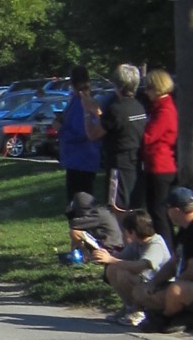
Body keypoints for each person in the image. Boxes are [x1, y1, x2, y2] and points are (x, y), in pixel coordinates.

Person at [81, 63, 147, 215]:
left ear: (117, 85)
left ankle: (122, 237)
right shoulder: (138, 106)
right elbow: (116, 124)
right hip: (136, 163)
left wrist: (86, 111)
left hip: (119, 165)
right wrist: (98, 113)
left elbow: (93, 134)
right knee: (134, 209)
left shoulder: (116, 109)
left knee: (117, 210)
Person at [94, 209, 170, 326]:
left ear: (133, 232)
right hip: (144, 282)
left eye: (126, 231)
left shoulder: (156, 244)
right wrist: (104, 255)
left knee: (123, 274)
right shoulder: (137, 243)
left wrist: (112, 259)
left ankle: (140, 311)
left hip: (158, 286)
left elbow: (140, 266)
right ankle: (129, 307)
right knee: (112, 269)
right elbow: (121, 257)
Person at [132, 187, 193, 334]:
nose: (167, 212)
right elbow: (174, 262)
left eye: (169, 208)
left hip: (186, 285)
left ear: (177, 210)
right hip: (183, 283)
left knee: (174, 291)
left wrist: (170, 291)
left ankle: (165, 317)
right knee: (140, 291)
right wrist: (155, 283)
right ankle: (180, 315)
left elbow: (191, 271)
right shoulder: (184, 230)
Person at [141, 70, 178, 248]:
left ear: (157, 88)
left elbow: (149, 136)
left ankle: (168, 250)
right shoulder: (157, 109)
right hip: (153, 165)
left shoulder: (165, 110)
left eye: (149, 88)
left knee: (159, 212)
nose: (146, 92)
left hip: (160, 167)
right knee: (155, 211)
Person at [54, 66, 102, 202]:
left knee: (79, 204)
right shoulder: (88, 100)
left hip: (80, 161)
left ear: (72, 83)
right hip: (83, 159)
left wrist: (61, 129)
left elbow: (82, 132)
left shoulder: (80, 103)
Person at [66, 191, 124, 258]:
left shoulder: (97, 215)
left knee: (74, 232)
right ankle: (76, 254)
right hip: (115, 245)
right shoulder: (100, 211)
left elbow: (74, 224)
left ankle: (84, 256)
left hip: (111, 248)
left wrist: (70, 214)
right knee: (79, 231)